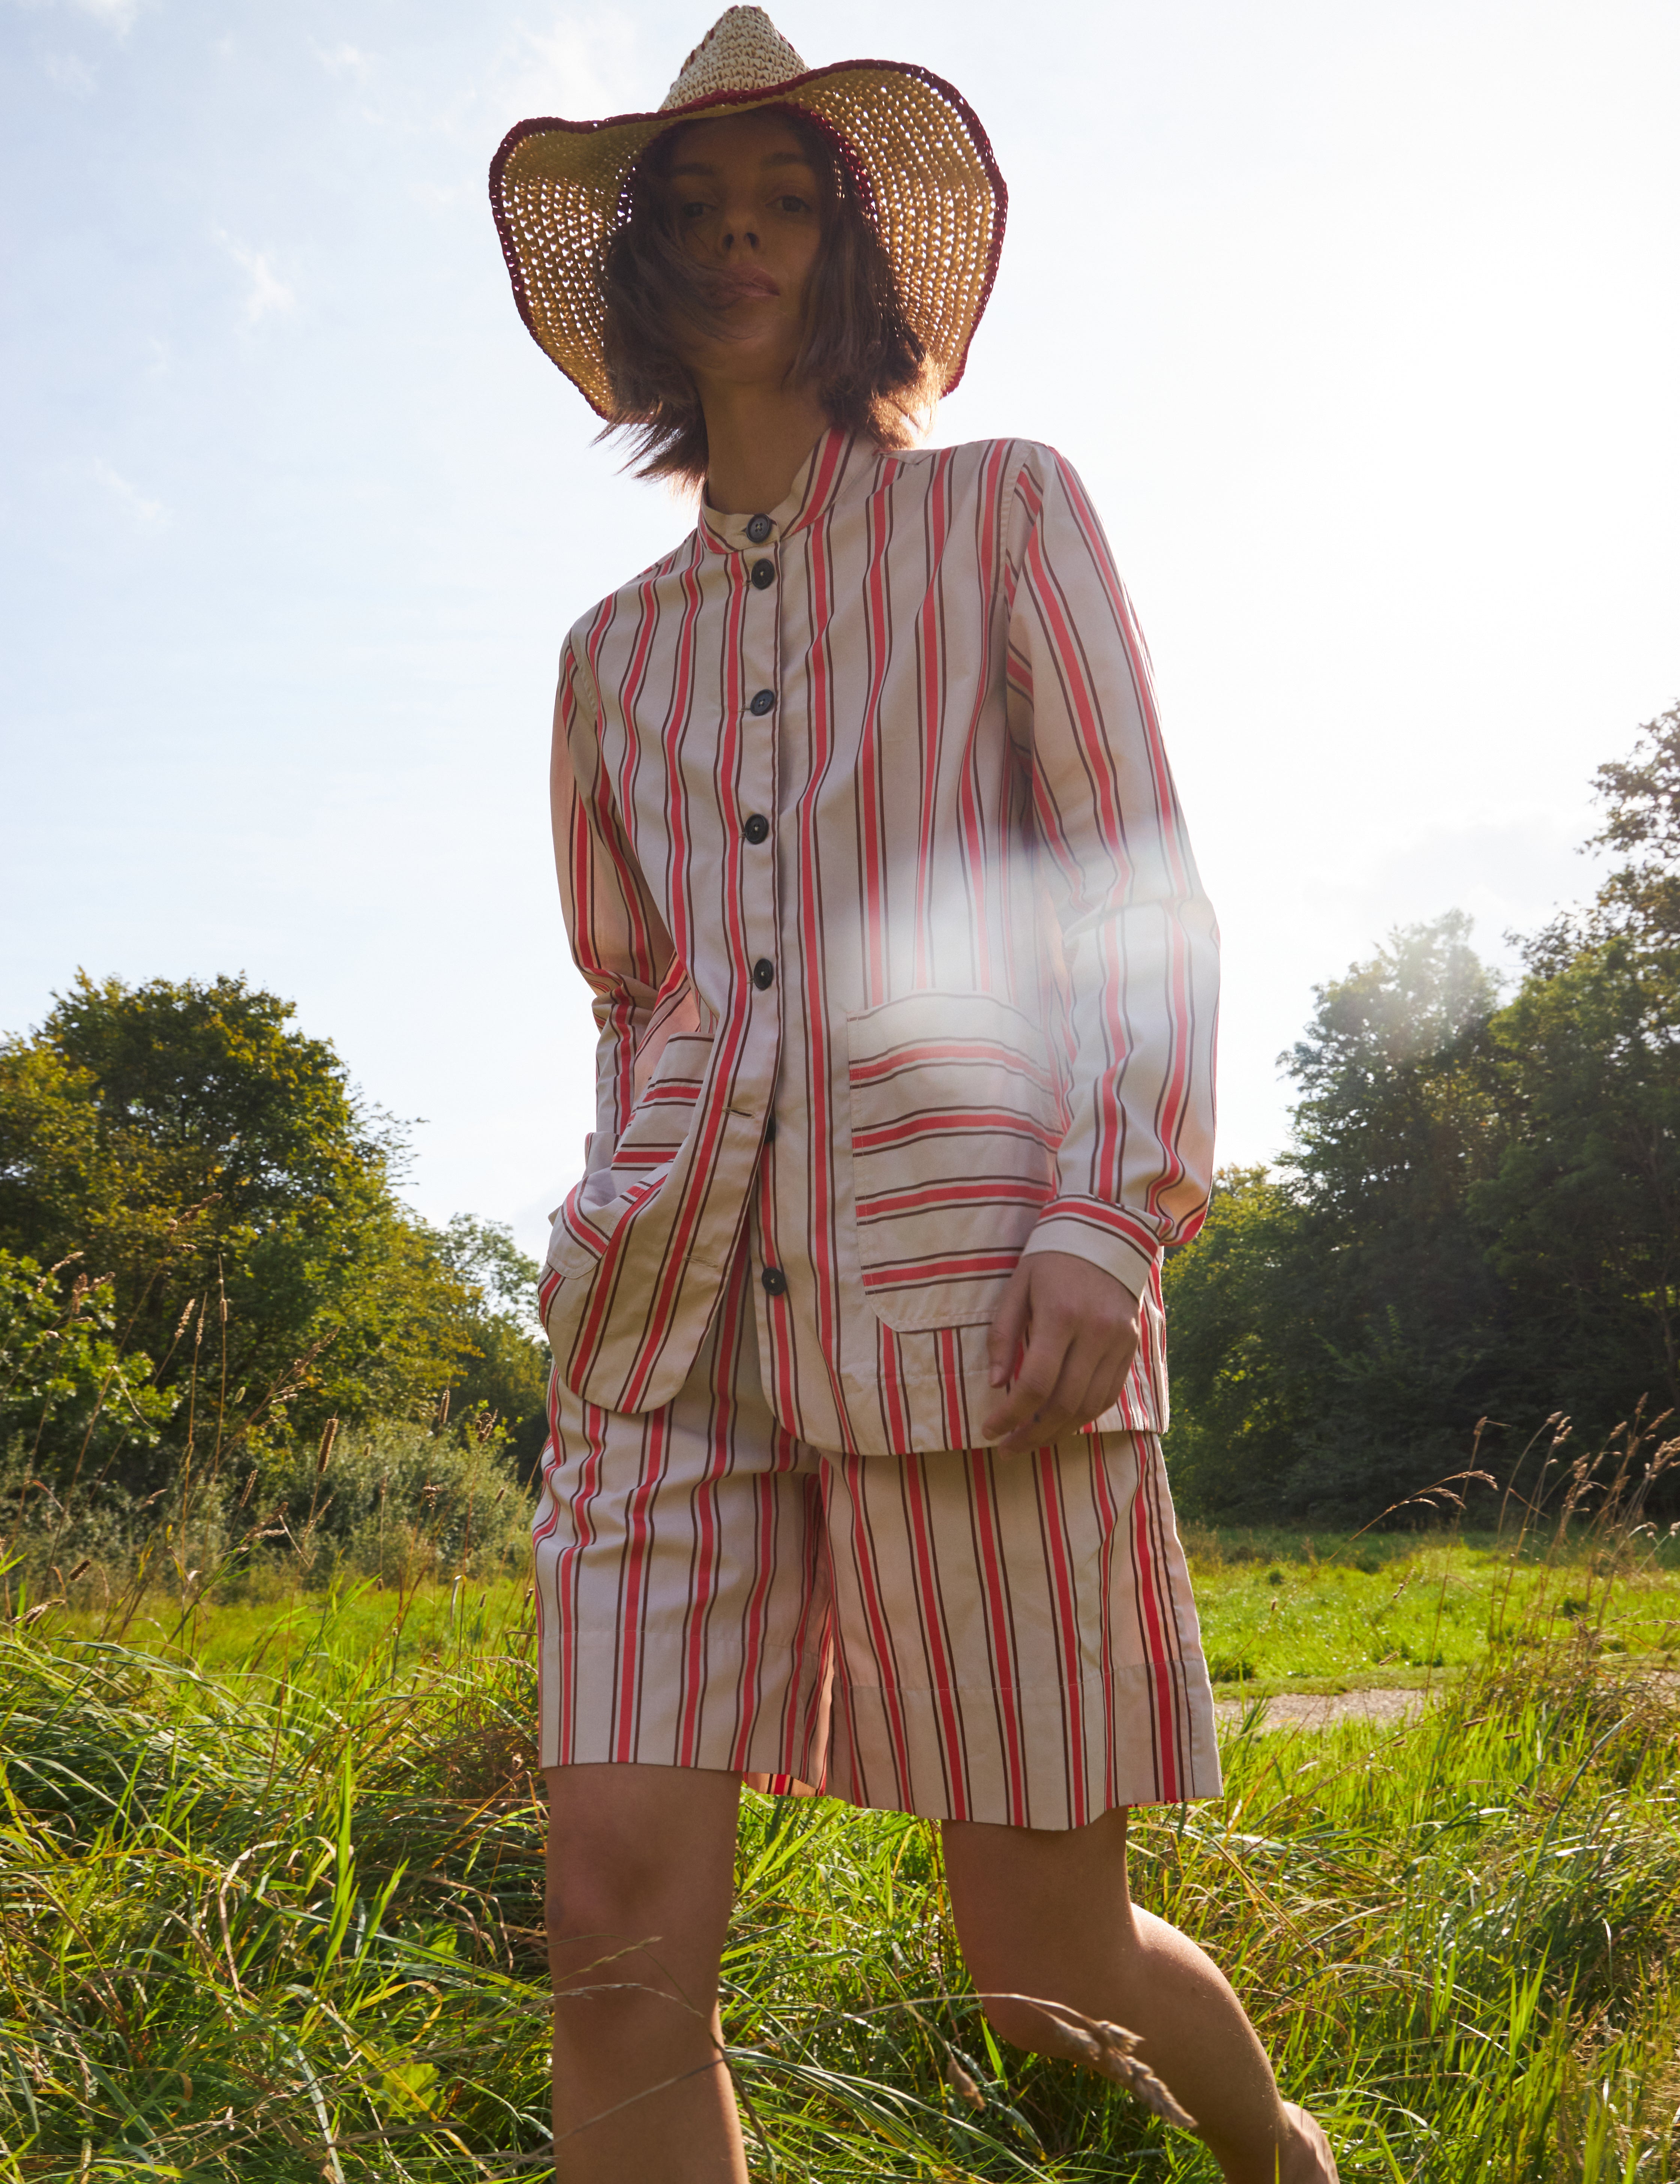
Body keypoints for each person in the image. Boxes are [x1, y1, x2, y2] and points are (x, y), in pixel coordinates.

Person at [489, 11, 1338, 2180]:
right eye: (696, 213)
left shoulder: (1005, 516)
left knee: (1042, 1972)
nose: (741, 241)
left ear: (854, 257)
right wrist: (603, 1224)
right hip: (669, 1326)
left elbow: (1128, 870)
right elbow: (628, 996)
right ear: (651, 282)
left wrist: (1108, 1211)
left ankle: (1285, 2162)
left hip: (982, 1300)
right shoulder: (612, 654)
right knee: (608, 1941)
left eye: (784, 202)